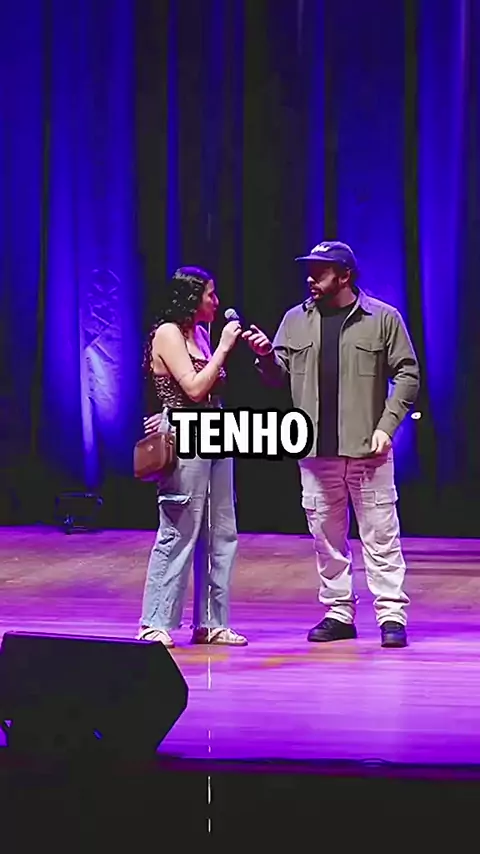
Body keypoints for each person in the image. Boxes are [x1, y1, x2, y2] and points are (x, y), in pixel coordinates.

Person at [242, 241, 420, 648]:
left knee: (380, 534)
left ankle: (391, 615)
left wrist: (387, 426)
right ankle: (339, 612)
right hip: (315, 451)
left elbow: (407, 374)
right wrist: (266, 357)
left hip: (367, 450)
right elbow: (276, 379)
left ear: (344, 275)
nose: (310, 278)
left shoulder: (383, 318)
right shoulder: (295, 320)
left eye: (320, 271)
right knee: (326, 536)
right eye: (309, 270)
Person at [137, 266, 248, 648]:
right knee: (180, 527)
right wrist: (224, 348)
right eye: (210, 294)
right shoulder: (168, 333)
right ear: (191, 298)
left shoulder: (200, 333)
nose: (216, 302)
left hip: (216, 430)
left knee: (221, 530)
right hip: (186, 435)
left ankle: (211, 623)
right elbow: (195, 388)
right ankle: (154, 621)